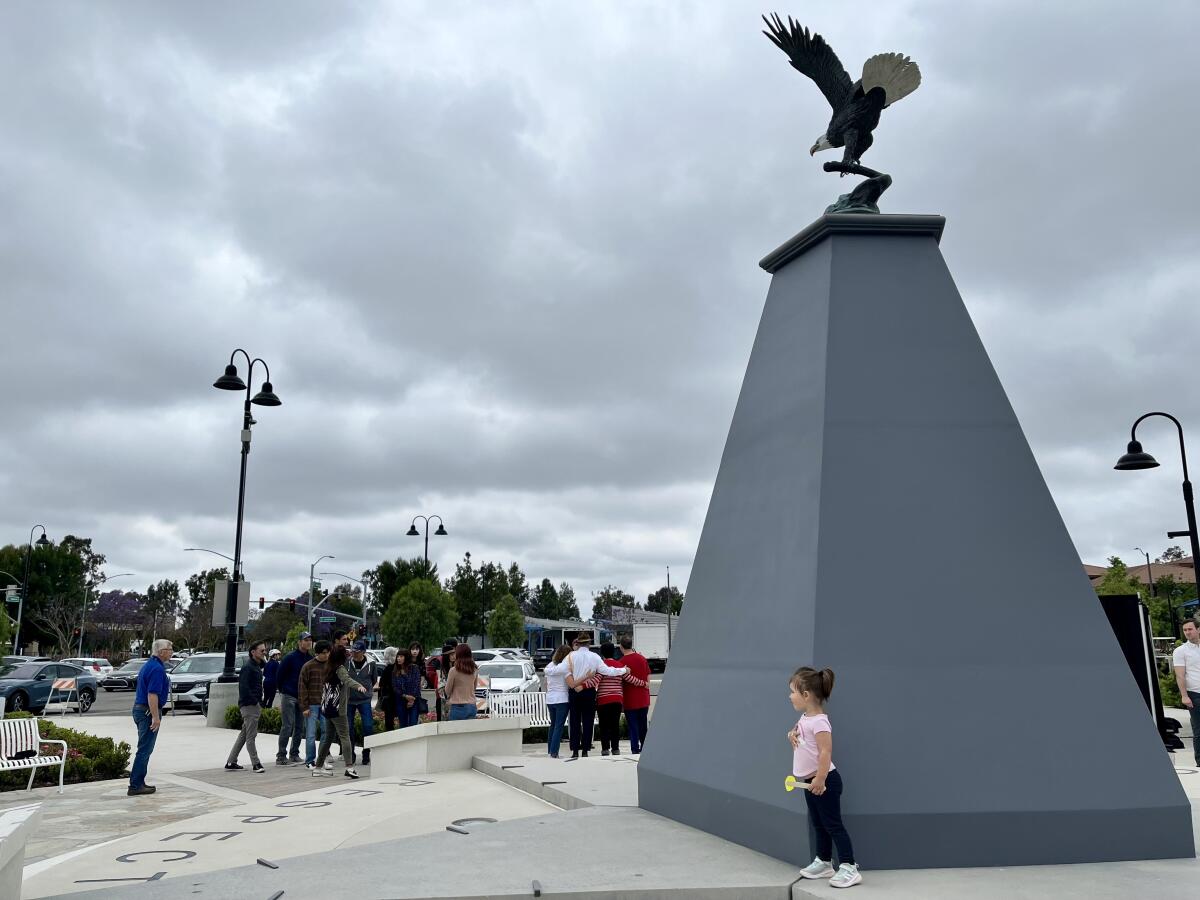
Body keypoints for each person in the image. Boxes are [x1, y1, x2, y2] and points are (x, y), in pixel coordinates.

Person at [789, 666, 860, 888]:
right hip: (809, 782)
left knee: (833, 825)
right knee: (818, 824)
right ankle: (824, 862)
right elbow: (800, 735)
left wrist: (820, 780)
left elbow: (825, 752)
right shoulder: (805, 717)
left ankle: (849, 866)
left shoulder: (819, 721)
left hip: (824, 781)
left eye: (792, 691)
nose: (789, 696)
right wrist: (791, 734)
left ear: (806, 695)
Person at [564, 632, 628, 760]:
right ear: (589, 643)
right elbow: (608, 671)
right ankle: (586, 749)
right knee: (588, 721)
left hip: (574, 691)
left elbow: (565, 672)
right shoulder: (594, 657)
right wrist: (624, 670)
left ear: (578, 643)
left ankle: (575, 750)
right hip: (589, 692)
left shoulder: (570, 656)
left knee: (574, 721)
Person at [314, 645, 369, 778]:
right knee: (345, 737)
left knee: (327, 738)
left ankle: (318, 768)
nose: (348, 655)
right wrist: (359, 686)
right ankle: (349, 768)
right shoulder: (340, 669)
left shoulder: (328, 667)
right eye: (346, 653)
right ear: (341, 656)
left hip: (327, 708)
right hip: (338, 709)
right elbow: (347, 680)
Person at [129, 638, 173, 796]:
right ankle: (135, 785)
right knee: (145, 749)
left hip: (140, 710)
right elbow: (152, 694)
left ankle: (139, 782)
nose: (171, 652)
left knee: (144, 748)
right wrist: (155, 717)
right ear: (161, 652)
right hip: (147, 712)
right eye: (169, 649)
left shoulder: (150, 665)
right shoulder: (156, 669)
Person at [588, 642, 646, 755]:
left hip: (603, 700)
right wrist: (643, 683)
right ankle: (615, 748)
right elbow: (630, 679)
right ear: (614, 652)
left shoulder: (601, 666)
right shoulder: (619, 665)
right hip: (617, 700)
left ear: (602, 654)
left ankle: (605, 748)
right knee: (614, 725)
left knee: (604, 725)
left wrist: (583, 683)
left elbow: (596, 681)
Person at [226, 640, 267, 773]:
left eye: (265, 650)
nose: (264, 652)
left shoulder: (255, 666)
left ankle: (231, 761)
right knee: (251, 736)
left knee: (244, 735)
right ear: (253, 652)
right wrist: (255, 701)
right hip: (249, 705)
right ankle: (256, 764)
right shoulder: (248, 667)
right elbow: (243, 688)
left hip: (252, 704)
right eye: (262, 651)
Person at [275, 632, 313, 766]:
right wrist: (283, 689)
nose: (308, 642)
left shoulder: (310, 658)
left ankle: (294, 754)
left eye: (310, 640)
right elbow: (279, 675)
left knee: (300, 727)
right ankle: (281, 755)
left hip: (303, 697)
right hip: (289, 695)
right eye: (305, 640)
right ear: (299, 642)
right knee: (287, 725)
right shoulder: (290, 657)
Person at [298, 640, 332, 769]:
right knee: (311, 734)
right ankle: (309, 761)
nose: (326, 655)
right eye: (324, 653)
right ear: (317, 653)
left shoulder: (330, 666)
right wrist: (304, 706)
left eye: (328, 652)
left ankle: (321, 760)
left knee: (326, 733)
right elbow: (302, 687)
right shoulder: (308, 666)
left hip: (326, 705)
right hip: (311, 705)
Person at [1173, 618, 1200, 767]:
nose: (1187, 632)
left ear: (1198, 629)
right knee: (1199, 729)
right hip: (1195, 694)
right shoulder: (1180, 651)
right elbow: (1180, 675)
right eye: (1185, 630)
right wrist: (1184, 695)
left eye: (1190, 629)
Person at [618, 636, 652, 753]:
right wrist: (645, 685)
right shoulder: (642, 658)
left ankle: (635, 749)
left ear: (621, 647)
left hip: (630, 700)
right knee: (643, 725)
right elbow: (648, 676)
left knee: (633, 727)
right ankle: (645, 749)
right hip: (643, 698)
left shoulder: (621, 662)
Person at [346, 641, 377, 765]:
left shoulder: (371, 663)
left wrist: (367, 690)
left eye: (357, 652)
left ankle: (366, 752)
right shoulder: (347, 662)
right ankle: (351, 753)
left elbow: (374, 679)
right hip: (349, 699)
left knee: (368, 726)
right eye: (353, 651)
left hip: (364, 699)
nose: (354, 653)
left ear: (363, 652)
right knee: (348, 727)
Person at [543, 645, 573, 758]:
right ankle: (554, 752)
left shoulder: (550, 665)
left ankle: (550, 750)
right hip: (562, 698)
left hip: (550, 699)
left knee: (553, 725)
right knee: (559, 726)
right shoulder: (565, 667)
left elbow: (546, 683)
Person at [444, 644, 483, 720]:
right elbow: (474, 688)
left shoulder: (453, 670)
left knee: (456, 731)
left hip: (458, 707)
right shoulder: (474, 670)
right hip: (472, 705)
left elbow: (447, 691)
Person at [393, 647, 424, 727]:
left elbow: (416, 684)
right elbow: (395, 687)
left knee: (413, 725)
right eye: (398, 657)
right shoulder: (395, 671)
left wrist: (411, 700)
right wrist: (405, 696)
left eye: (401, 657)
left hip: (414, 701)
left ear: (406, 658)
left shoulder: (414, 668)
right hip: (401, 701)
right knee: (403, 726)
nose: (398, 659)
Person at [378, 647, 398, 732]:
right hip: (397, 696)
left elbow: (381, 683)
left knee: (389, 720)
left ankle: (390, 735)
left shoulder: (387, 668)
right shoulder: (398, 667)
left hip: (388, 697)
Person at [409, 641, 430, 718]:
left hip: (417, 690)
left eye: (417, 649)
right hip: (406, 690)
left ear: (419, 650)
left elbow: (423, 676)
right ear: (410, 650)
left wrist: (418, 687)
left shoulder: (421, 662)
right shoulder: (407, 661)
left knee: (415, 712)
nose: (415, 651)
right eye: (413, 649)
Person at [436, 640, 455, 720]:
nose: (454, 656)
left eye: (454, 654)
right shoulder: (441, 669)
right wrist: (447, 698)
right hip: (445, 699)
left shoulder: (456, 666)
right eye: (451, 654)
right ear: (446, 656)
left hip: (456, 699)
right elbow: (440, 685)